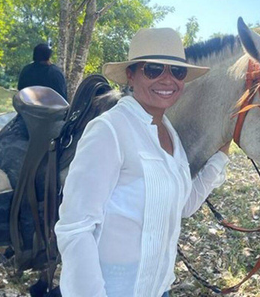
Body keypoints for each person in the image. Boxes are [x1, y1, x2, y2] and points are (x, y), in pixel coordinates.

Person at [55, 28, 231, 297]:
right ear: (131, 74)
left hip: (160, 287)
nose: (167, 79)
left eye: (177, 71)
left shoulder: (169, 133)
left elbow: (183, 205)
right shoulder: (109, 130)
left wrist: (220, 157)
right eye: (153, 69)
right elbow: (75, 227)